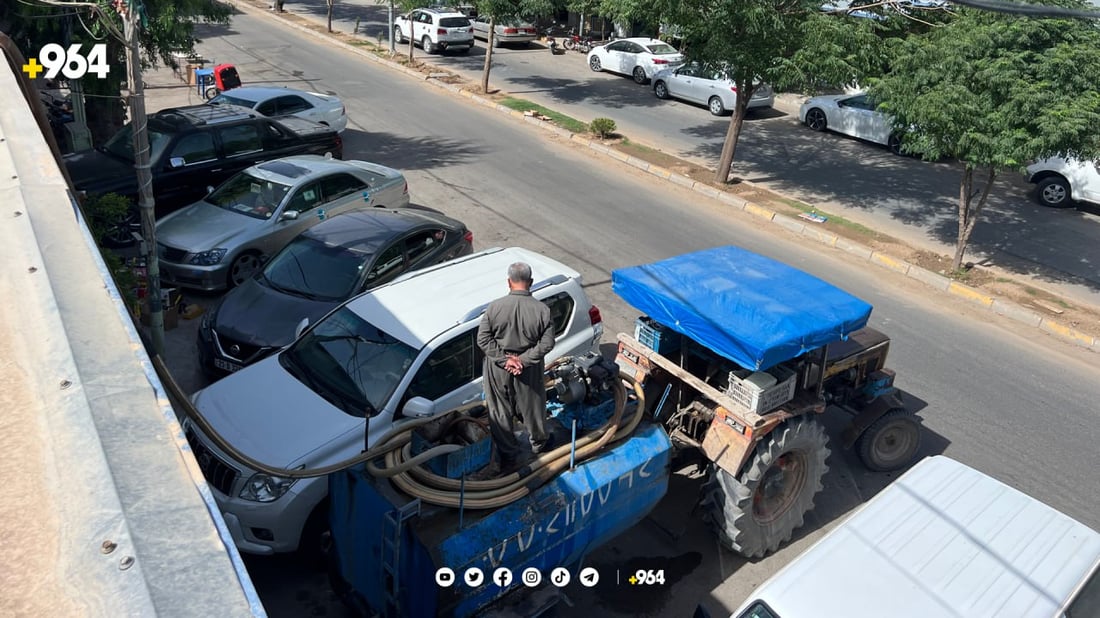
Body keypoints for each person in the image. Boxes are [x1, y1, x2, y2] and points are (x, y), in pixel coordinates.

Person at [476, 262, 557, 471]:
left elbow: (483, 339)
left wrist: (505, 360)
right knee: (533, 406)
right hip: (528, 369)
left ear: (509, 282)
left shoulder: (494, 307)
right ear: (530, 282)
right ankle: (539, 444)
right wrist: (523, 360)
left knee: (499, 411)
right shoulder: (542, 310)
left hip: (497, 369)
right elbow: (547, 343)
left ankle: (508, 455)